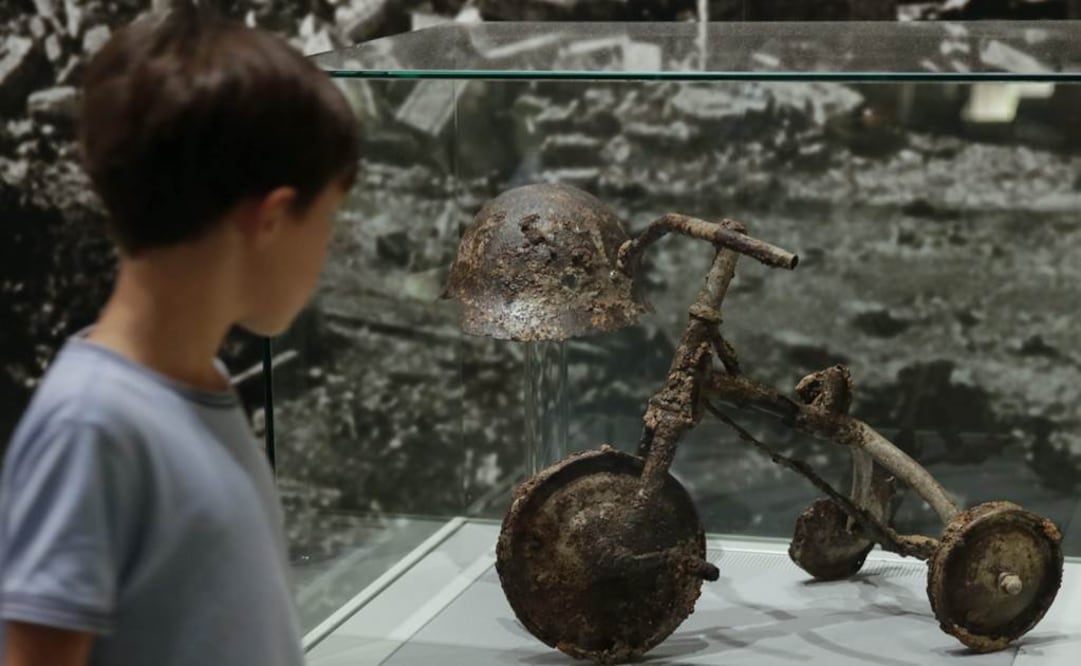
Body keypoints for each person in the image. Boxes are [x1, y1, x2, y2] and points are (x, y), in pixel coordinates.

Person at [0, 2, 359, 665]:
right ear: (273, 218)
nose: (328, 250)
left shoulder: (201, 386)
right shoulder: (91, 427)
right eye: (329, 220)